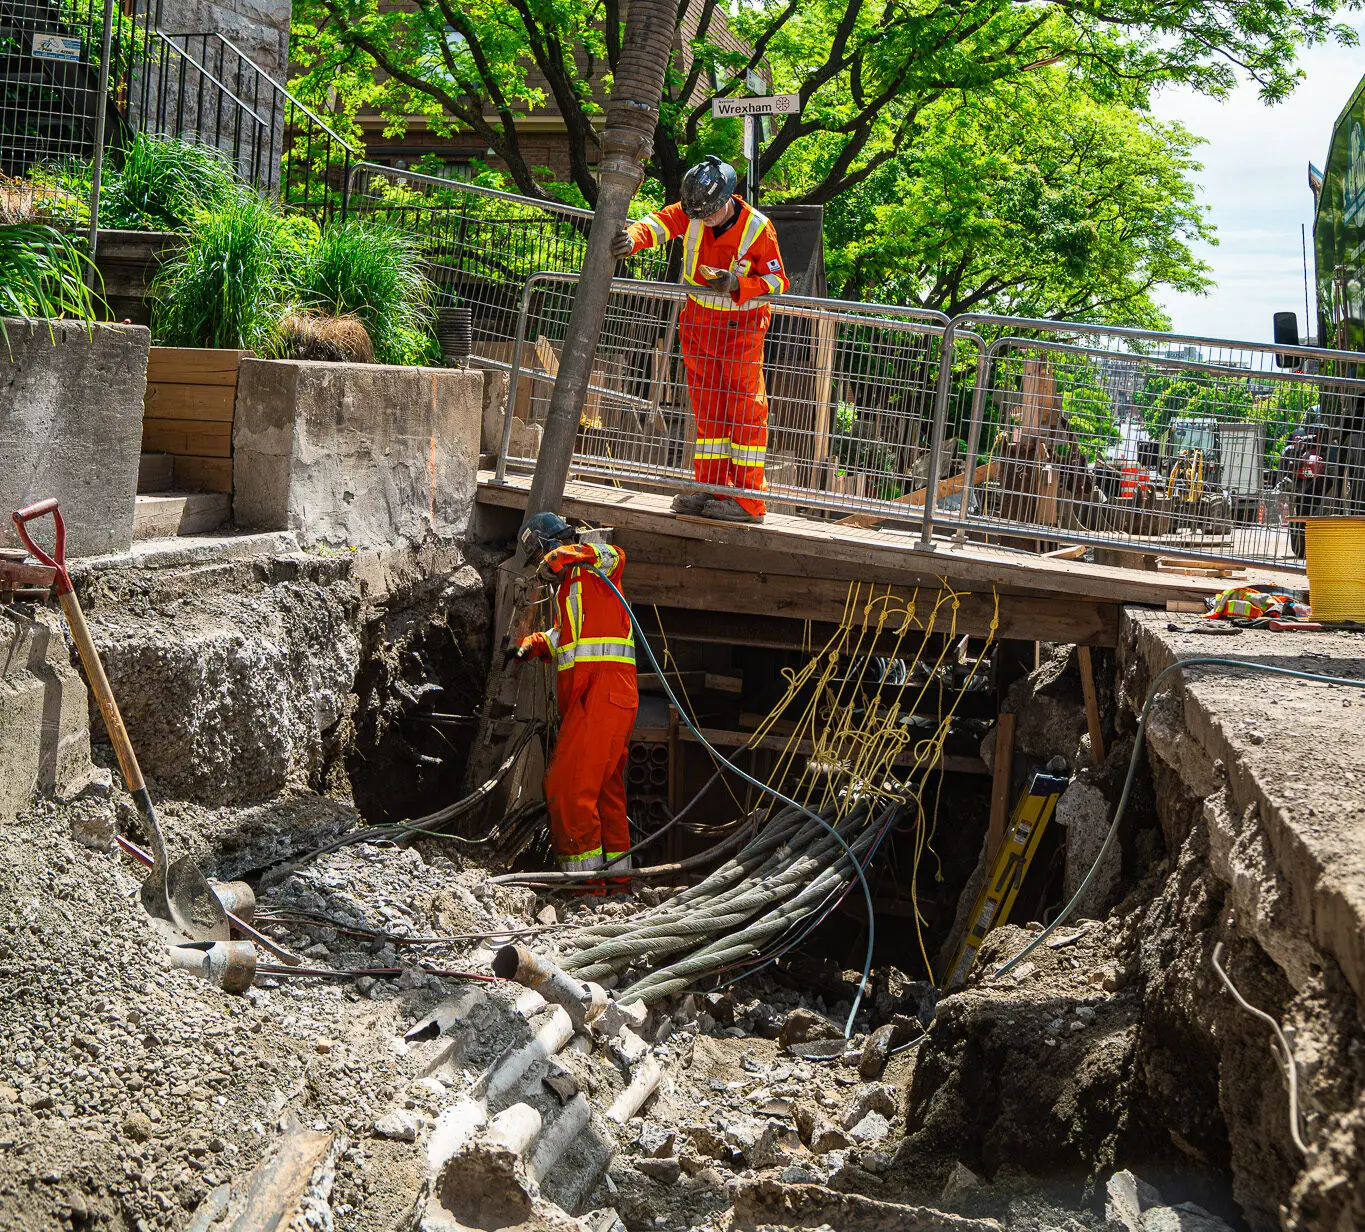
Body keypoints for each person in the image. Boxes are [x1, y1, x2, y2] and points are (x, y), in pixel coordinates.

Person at [612, 156, 789, 524]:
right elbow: (660, 222)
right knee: (708, 412)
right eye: (698, 213)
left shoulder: (759, 228)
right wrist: (633, 239)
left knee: (744, 413)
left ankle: (748, 500)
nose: (702, 219)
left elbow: (777, 282)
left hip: (741, 327)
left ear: (728, 198)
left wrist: (738, 284)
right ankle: (712, 489)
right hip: (699, 324)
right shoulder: (692, 209)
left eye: (708, 213)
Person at [506, 512, 638, 880]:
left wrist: (563, 555)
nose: (542, 570)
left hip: (601, 696)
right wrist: (530, 645)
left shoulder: (596, 567)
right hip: (599, 699)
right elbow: (568, 638)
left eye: (539, 559)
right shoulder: (569, 592)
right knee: (603, 793)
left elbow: (616, 555)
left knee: (566, 790)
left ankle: (585, 889)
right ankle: (617, 883)